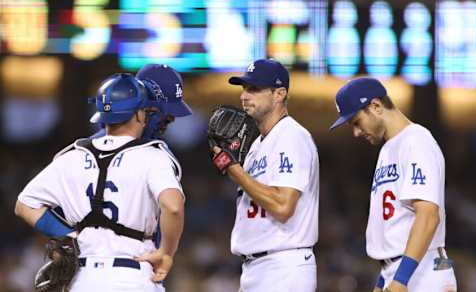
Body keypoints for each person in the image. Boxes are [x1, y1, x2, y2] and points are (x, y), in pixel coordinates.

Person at [14, 73, 185, 291]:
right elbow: (173, 207)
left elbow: (24, 204)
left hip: (83, 278)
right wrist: (166, 253)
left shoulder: (72, 156)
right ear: (139, 115)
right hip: (132, 275)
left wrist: (69, 235)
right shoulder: (153, 156)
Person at [330, 77, 457, 292]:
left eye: (356, 122)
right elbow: (393, 225)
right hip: (400, 269)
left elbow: (428, 216)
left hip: (423, 270)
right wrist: (383, 280)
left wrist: (401, 279)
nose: (356, 132)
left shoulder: (417, 141)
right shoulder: (388, 149)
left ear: (376, 106)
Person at [212, 59, 320, 291]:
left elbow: (283, 206)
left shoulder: (292, 136)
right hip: (258, 268)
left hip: (283, 266)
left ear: (279, 94)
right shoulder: (257, 146)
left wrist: (235, 171)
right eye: (243, 88)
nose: (244, 96)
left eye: (254, 89)